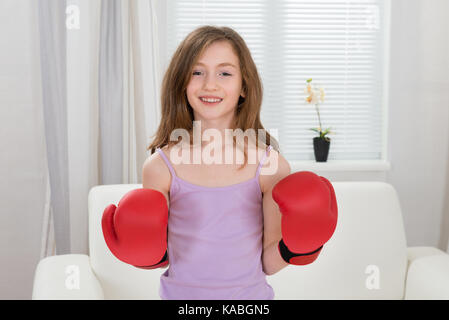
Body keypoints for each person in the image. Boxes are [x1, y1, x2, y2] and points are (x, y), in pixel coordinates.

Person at [102, 25, 337, 300]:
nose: (209, 84)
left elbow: (268, 263)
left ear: (244, 87)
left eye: (224, 73)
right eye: (197, 72)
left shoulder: (269, 165)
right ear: (182, 84)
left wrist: (297, 246)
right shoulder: (160, 166)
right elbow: (163, 256)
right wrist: (143, 253)